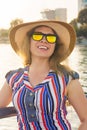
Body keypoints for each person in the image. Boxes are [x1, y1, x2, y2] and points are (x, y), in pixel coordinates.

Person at [0, 20, 87, 130]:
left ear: (55, 45)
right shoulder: (14, 77)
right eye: (38, 36)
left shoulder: (67, 78)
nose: (44, 40)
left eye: (51, 38)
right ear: (29, 41)